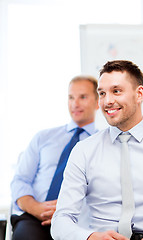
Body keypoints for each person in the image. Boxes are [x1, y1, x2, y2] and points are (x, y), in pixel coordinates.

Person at [50, 60, 143, 240]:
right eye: (102, 93)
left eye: (116, 91)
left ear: (139, 94)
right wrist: (91, 237)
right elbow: (61, 221)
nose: (107, 101)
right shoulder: (83, 151)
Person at [10, 75, 99, 240]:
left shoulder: (103, 144)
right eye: (71, 97)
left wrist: (67, 211)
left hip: (80, 222)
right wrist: (36, 208)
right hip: (35, 219)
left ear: (98, 102)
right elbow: (20, 180)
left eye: (83, 97)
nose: (75, 103)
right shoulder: (43, 138)